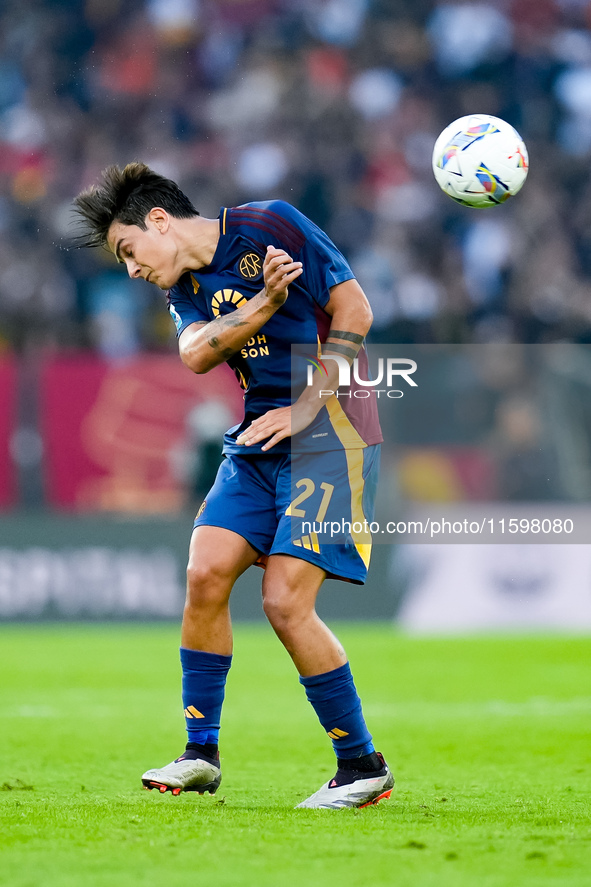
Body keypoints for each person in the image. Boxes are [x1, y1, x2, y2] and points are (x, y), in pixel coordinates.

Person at [73, 162, 393, 809]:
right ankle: (200, 752)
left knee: (283, 602)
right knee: (204, 574)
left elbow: (353, 306)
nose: (131, 269)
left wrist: (306, 406)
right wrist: (267, 303)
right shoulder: (184, 284)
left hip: (331, 435)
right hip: (256, 441)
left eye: (128, 250)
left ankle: (361, 765)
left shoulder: (268, 225)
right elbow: (196, 353)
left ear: (157, 221)